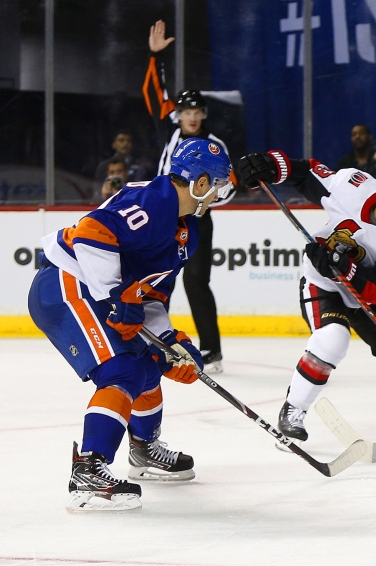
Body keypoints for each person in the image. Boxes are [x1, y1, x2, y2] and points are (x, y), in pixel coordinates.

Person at [28, 138, 233, 512]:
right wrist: (113, 297)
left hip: (96, 293)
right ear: (200, 183)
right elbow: (91, 232)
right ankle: (89, 469)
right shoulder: (155, 200)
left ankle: (143, 449)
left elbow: (150, 296)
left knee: (147, 365)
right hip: (66, 284)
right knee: (121, 370)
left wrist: (171, 343)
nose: (221, 192)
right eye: (218, 183)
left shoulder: (187, 230)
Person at [238, 151, 376, 443]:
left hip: (367, 295)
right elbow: (306, 172)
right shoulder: (352, 187)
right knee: (332, 340)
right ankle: (293, 411)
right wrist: (271, 165)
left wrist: (347, 269)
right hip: (323, 283)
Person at [145, 19, 231, 373]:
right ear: (178, 114)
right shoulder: (169, 128)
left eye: (196, 113)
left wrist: (203, 201)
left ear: (203, 115)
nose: (191, 118)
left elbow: (228, 186)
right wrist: (154, 58)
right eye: (186, 112)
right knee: (156, 278)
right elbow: (155, 95)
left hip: (195, 218)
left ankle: (212, 351)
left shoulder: (213, 147)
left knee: (196, 281)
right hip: (163, 214)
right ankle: (155, 339)